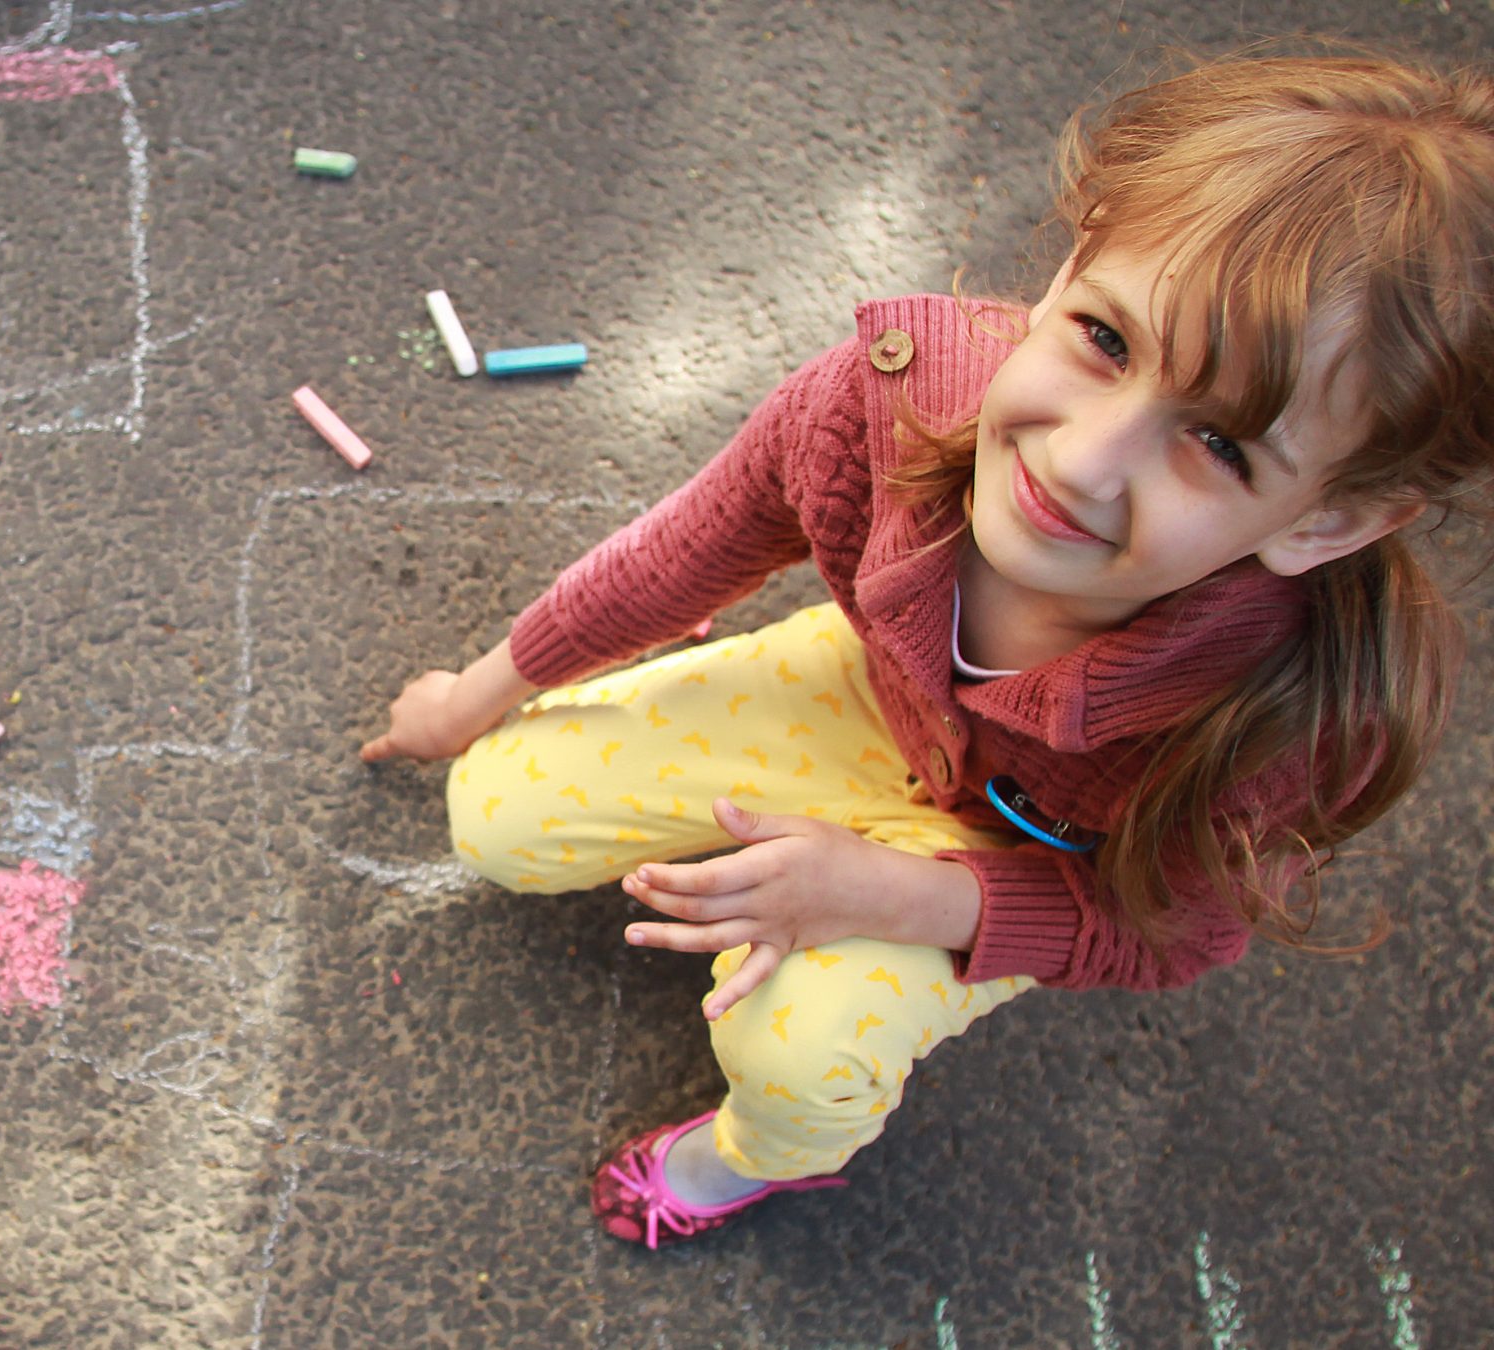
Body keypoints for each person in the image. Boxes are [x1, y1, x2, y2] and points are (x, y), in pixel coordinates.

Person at [361, 51, 1494, 1250]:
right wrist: (476, 691)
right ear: (1065, 267)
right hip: (868, 698)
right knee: (494, 811)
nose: (1080, 461)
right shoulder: (873, 403)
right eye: (1104, 339)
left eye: (1215, 444)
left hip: (1010, 857)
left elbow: (1166, 930)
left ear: (1326, 520)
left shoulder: (1284, 714)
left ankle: (747, 1161)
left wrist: (888, 893)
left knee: (796, 1056)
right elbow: (681, 551)